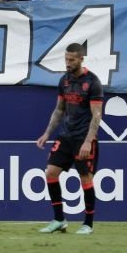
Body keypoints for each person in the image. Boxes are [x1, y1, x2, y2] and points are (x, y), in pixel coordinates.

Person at [35, 43, 103, 235]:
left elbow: (96, 115)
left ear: (81, 59)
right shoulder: (64, 81)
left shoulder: (93, 82)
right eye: (66, 59)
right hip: (66, 136)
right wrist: (47, 133)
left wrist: (89, 141)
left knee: (85, 179)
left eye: (71, 60)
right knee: (50, 173)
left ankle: (88, 224)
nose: (67, 63)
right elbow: (59, 109)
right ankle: (59, 219)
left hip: (83, 138)